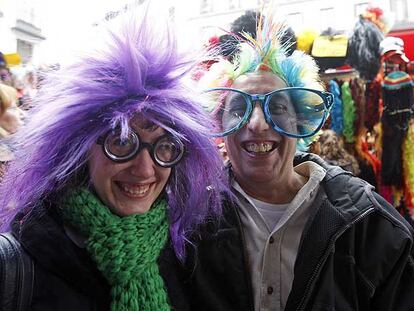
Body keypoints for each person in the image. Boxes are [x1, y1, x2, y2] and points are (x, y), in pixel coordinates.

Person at [0, 10, 228, 311]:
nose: (145, 169)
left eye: (166, 147)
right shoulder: (16, 267)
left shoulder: (185, 251)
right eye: (122, 143)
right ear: (79, 148)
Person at [186, 11, 414, 311]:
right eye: (239, 108)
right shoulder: (191, 222)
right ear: (220, 124)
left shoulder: (368, 222)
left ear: (300, 121)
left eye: (277, 106)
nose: (256, 124)